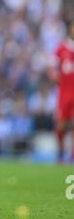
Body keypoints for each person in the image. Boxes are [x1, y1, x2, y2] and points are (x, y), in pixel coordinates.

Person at [49, 21, 74, 163]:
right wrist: (53, 74)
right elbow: (52, 66)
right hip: (64, 93)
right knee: (61, 125)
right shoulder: (61, 48)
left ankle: (72, 155)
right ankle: (60, 153)